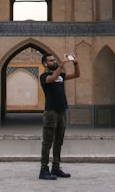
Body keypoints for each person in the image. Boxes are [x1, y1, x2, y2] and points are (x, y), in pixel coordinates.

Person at [38, 51, 80, 180]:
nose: (54, 62)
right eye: (51, 61)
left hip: (61, 111)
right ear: (45, 63)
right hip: (51, 112)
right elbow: (52, 78)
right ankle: (44, 170)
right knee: (47, 142)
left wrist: (76, 63)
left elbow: (77, 75)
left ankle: (56, 167)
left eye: (55, 60)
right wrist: (61, 65)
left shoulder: (61, 75)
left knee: (58, 141)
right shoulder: (44, 76)